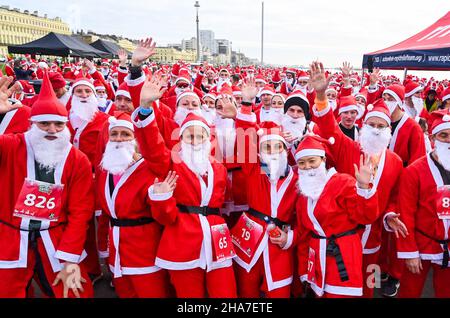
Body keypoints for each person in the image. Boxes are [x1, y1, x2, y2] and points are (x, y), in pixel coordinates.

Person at [129, 75, 237, 298]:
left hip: (216, 237)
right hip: (183, 237)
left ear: (208, 140)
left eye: (200, 136)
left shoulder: (218, 168)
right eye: (190, 136)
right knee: (189, 295)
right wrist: (146, 108)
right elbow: (152, 146)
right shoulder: (172, 161)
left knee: (225, 293)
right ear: (181, 139)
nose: (195, 141)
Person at [309, 61, 406, 298]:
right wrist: (321, 95)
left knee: (367, 287)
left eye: (380, 126)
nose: (375, 129)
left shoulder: (395, 162)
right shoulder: (348, 147)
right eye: (371, 124)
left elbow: (394, 197)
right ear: (363, 126)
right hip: (343, 235)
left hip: (373, 238)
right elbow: (329, 127)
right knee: (338, 288)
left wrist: (391, 215)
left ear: (388, 131)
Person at [0, 72, 94, 298]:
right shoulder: (12, 146)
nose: (52, 129)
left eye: (59, 124)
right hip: (10, 238)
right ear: (32, 124)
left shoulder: (78, 159)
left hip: (56, 238)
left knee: (75, 292)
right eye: (44, 123)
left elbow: (80, 212)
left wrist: (70, 258)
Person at [230, 79, 298, 298]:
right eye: (267, 147)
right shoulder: (253, 169)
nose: (273, 150)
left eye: (278, 146)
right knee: (246, 290)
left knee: (279, 291)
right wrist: (247, 102)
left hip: (280, 241)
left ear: (285, 149)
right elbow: (243, 136)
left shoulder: (297, 177)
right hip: (251, 235)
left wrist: (292, 237)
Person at [95, 111, 172, 297]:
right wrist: (103, 247)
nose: (119, 139)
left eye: (125, 134)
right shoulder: (106, 168)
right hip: (117, 251)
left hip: (145, 251)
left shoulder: (148, 168)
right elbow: (106, 214)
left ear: (135, 139)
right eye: (114, 134)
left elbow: (166, 217)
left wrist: (161, 197)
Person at [295, 134, 379, 298]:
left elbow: (366, 217)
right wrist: (304, 270)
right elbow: (304, 236)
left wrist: (363, 187)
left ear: (323, 160)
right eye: (302, 163)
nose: (307, 167)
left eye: (312, 161)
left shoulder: (343, 182)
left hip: (343, 256)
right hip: (316, 259)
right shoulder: (303, 195)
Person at [396, 109, 450, 298]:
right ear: (433, 139)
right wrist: (409, 251)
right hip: (421, 244)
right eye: (443, 135)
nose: (449, 141)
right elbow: (405, 213)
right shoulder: (414, 171)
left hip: (448, 246)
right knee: (410, 291)